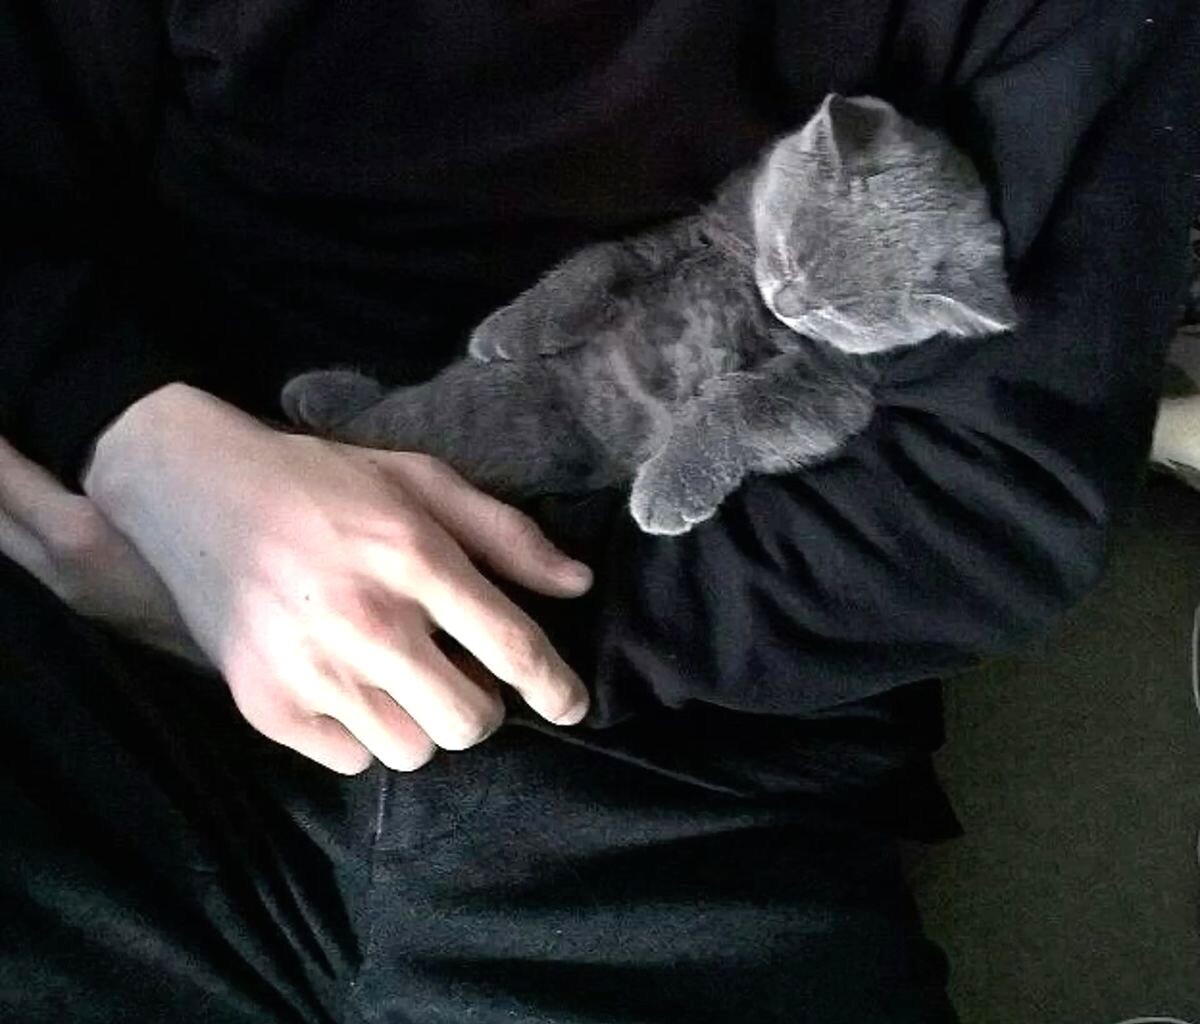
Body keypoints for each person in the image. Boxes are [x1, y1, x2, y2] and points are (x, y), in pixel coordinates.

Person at [1, 2, 1197, 1021]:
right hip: (136, 589)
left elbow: (990, 497)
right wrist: (135, 439)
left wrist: (444, 613)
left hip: (678, 714)